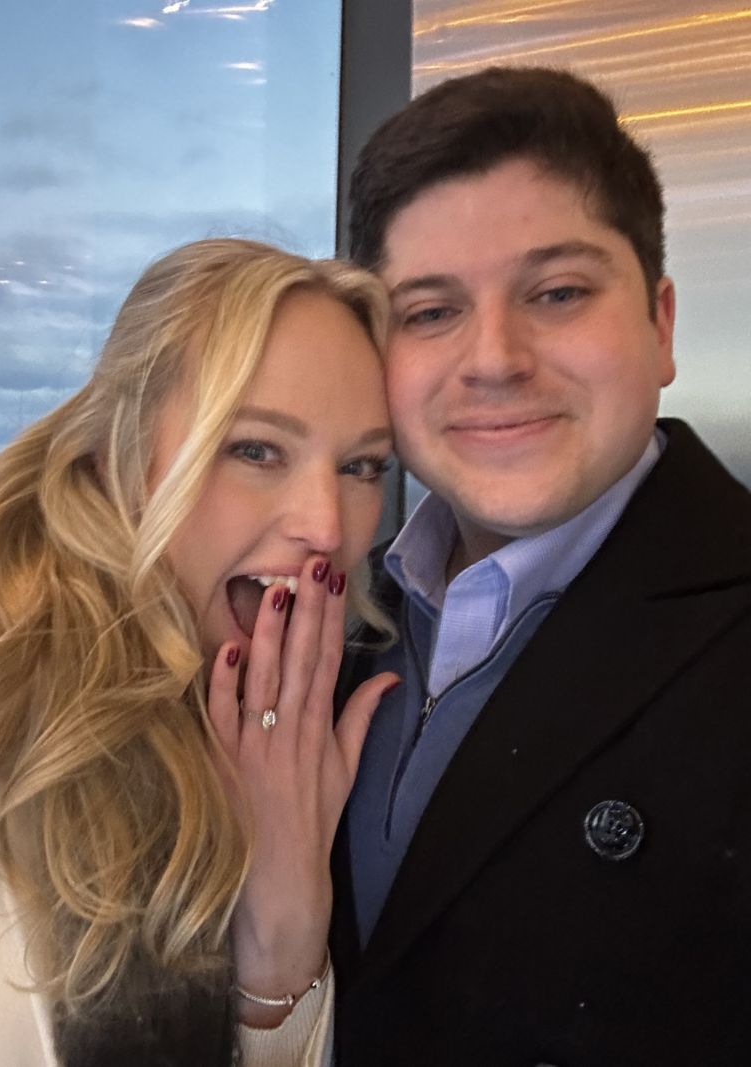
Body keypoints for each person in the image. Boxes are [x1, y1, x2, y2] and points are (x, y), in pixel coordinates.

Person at [331, 66, 751, 1066]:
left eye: (557, 293)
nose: (494, 357)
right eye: (429, 311)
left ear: (659, 323)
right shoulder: (333, 613)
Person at [0, 238, 398, 1067]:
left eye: (363, 464)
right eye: (256, 449)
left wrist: (284, 942)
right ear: (122, 455)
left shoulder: (323, 728)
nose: (329, 526)